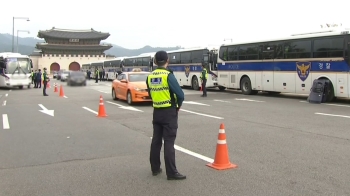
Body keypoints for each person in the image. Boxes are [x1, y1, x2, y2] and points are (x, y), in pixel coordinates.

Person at [146, 50, 186, 180]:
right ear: (167, 61)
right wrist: (178, 106)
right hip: (169, 112)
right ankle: (171, 172)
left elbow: (150, 93)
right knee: (169, 141)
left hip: (156, 111)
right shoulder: (168, 75)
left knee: (156, 141)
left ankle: (155, 168)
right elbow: (180, 95)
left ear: (155, 62)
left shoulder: (150, 76)